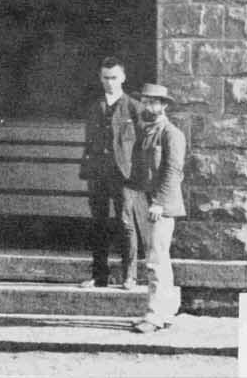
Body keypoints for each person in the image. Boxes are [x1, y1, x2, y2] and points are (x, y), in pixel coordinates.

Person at [78, 56, 141, 289]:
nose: (110, 83)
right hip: (97, 174)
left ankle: (130, 275)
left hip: (123, 176)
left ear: (123, 77)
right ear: (100, 78)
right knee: (98, 223)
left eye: (114, 78)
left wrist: (138, 174)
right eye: (105, 78)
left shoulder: (134, 107)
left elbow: (142, 144)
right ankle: (99, 276)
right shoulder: (94, 107)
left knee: (125, 223)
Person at [129, 83, 187, 333]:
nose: (148, 106)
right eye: (145, 101)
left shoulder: (171, 134)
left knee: (154, 261)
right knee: (160, 258)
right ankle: (167, 312)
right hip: (146, 200)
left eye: (154, 102)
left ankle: (153, 316)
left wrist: (159, 203)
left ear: (164, 105)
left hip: (160, 205)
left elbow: (173, 171)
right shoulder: (146, 132)